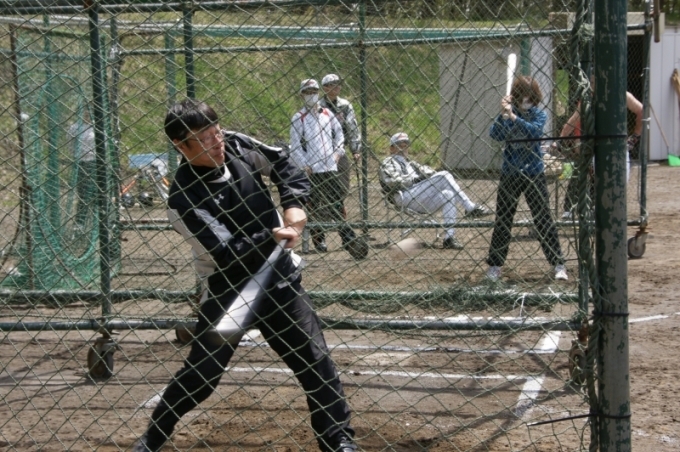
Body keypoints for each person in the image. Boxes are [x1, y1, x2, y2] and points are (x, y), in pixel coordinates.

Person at [133, 99, 357, 452]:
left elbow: (283, 163)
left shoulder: (237, 144)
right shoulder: (183, 198)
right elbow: (225, 253)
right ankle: (152, 439)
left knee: (315, 361)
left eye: (216, 131)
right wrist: (271, 235)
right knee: (203, 375)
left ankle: (338, 441)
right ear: (180, 145)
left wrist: (293, 202)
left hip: (279, 279)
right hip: (232, 292)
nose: (216, 142)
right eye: (204, 138)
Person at [486, 76, 568, 282]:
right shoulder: (508, 113)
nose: (526, 100)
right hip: (510, 173)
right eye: (522, 96)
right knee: (503, 220)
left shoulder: (539, 114)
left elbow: (534, 133)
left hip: (534, 173)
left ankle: (558, 264)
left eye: (530, 97)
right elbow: (495, 135)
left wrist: (514, 117)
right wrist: (503, 115)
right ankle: (495, 266)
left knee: (543, 219)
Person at [379, 132, 492, 250]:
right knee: (444, 175)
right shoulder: (388, 162)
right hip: (403, 196)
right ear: (391, 148)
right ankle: (470, 207)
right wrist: (415, 179)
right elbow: (391, 181)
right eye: (399, 145)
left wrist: (425, 176)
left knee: (448, 194)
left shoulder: (411, 164)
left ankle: (449, 238)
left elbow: (430, 172)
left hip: (420, 197)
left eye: (405, 145)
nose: (403, 148)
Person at [290, 78, 359, 255]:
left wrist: (338, 152)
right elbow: (295, 146)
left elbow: (339, 135)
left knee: (336, 202)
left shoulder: (327, 113)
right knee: (315, 205)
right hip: (312, 170)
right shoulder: (299, 118)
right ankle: (319, 239)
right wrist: (304, 164)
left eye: (314, 92)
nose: (311, 95)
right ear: (301, 95)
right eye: (307, 92)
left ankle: (347, 238)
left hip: (330, 167)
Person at [554, 91, 643, 219]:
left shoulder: (621, 94)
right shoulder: (589, 97)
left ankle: (608, 212)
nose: (592, 84)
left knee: (618, 183)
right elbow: (574, 121)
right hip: (596, 146)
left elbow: (641, 110)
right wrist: (560, 140)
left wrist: (634, 137)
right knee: (589, 176)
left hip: (617, 146)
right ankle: (578, 209)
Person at [319, 73, 361, 201]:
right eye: (333, 84)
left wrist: (355, 149)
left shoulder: (345, 105)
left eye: (339, 84)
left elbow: (352, 127)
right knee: (322, 184)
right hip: (320, 149)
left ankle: (338, 205)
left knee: (343, 183)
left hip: (339, 148)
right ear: (325, 88)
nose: (337, 87)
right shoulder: (318, 106)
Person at [67, 106, 96, 229]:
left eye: (89, 112)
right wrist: (76, 155)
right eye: (85, 112)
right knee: (84, 193)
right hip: (82, 163)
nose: (87, 114)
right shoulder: (75, 128)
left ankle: (97, 220)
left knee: (97, 192)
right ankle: (80, 222)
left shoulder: (97, 127)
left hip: (95, 162)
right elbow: (70, 144)